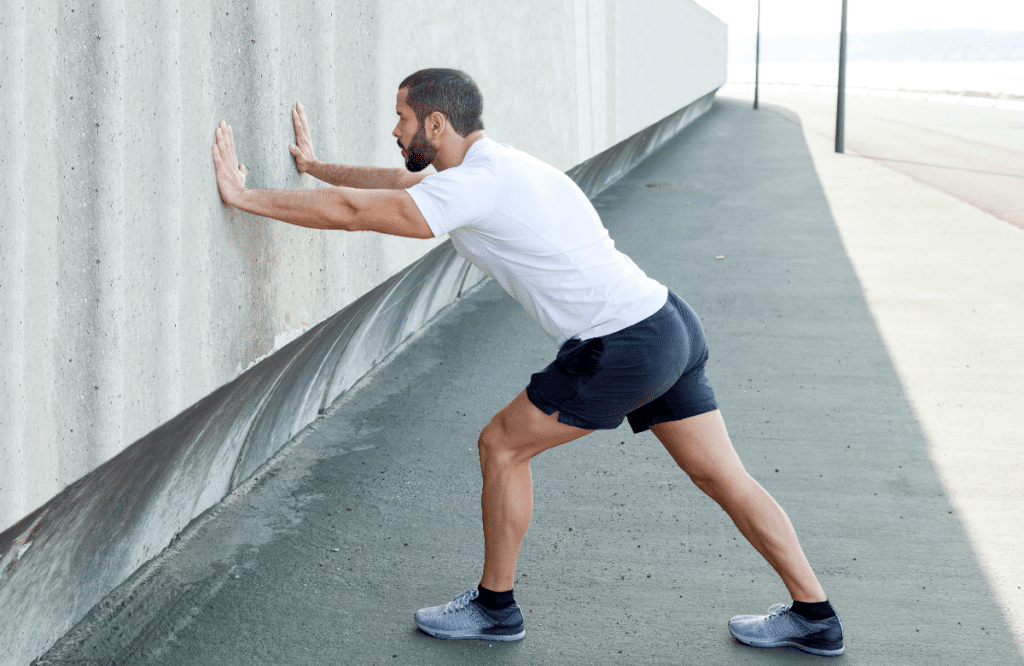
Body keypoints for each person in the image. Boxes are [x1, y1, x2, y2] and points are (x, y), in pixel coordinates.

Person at [212, 68, 844, 656]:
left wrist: (244, 197)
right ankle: (816, 617)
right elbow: (397, 185)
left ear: (436, 125)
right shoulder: (497, 168)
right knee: (722, 477)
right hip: (665, 320)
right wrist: (317, 168)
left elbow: (359, 216)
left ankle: (494, 607)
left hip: (620, 343)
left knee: (502, 447)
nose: (395, 130)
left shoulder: (478, 184)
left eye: (401, 118)